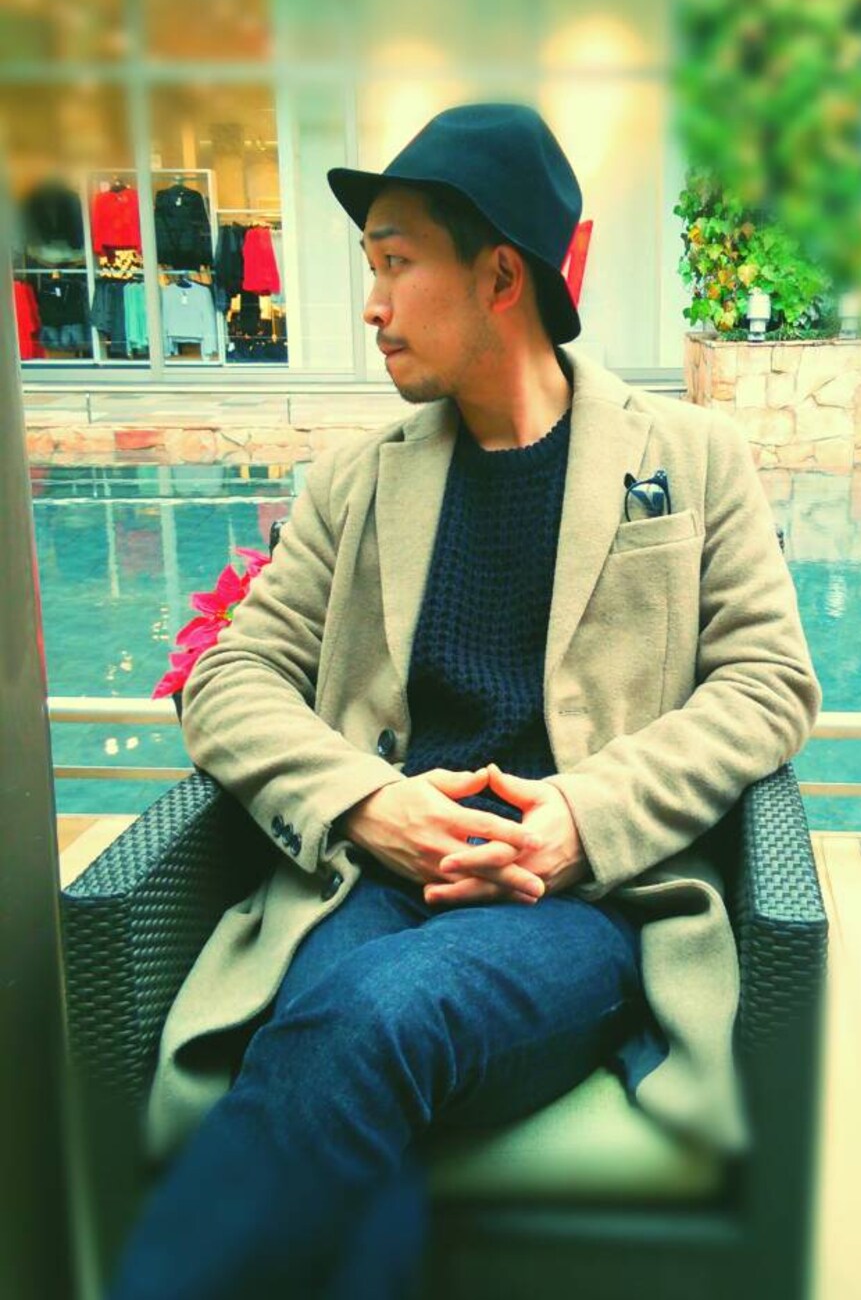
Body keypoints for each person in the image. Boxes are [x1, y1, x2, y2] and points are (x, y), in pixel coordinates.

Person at [109, 104, 821, 1299]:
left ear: (500, 276)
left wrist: (586, 814)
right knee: (357, 1047)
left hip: (579, 904)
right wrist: (367, 804)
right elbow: (228, 674)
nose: (371, 304)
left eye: (395, 262)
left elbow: (768, 680)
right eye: (371, 267)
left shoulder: (692, 457)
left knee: (367, 1018)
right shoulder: (357, 479)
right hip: (373, 883)